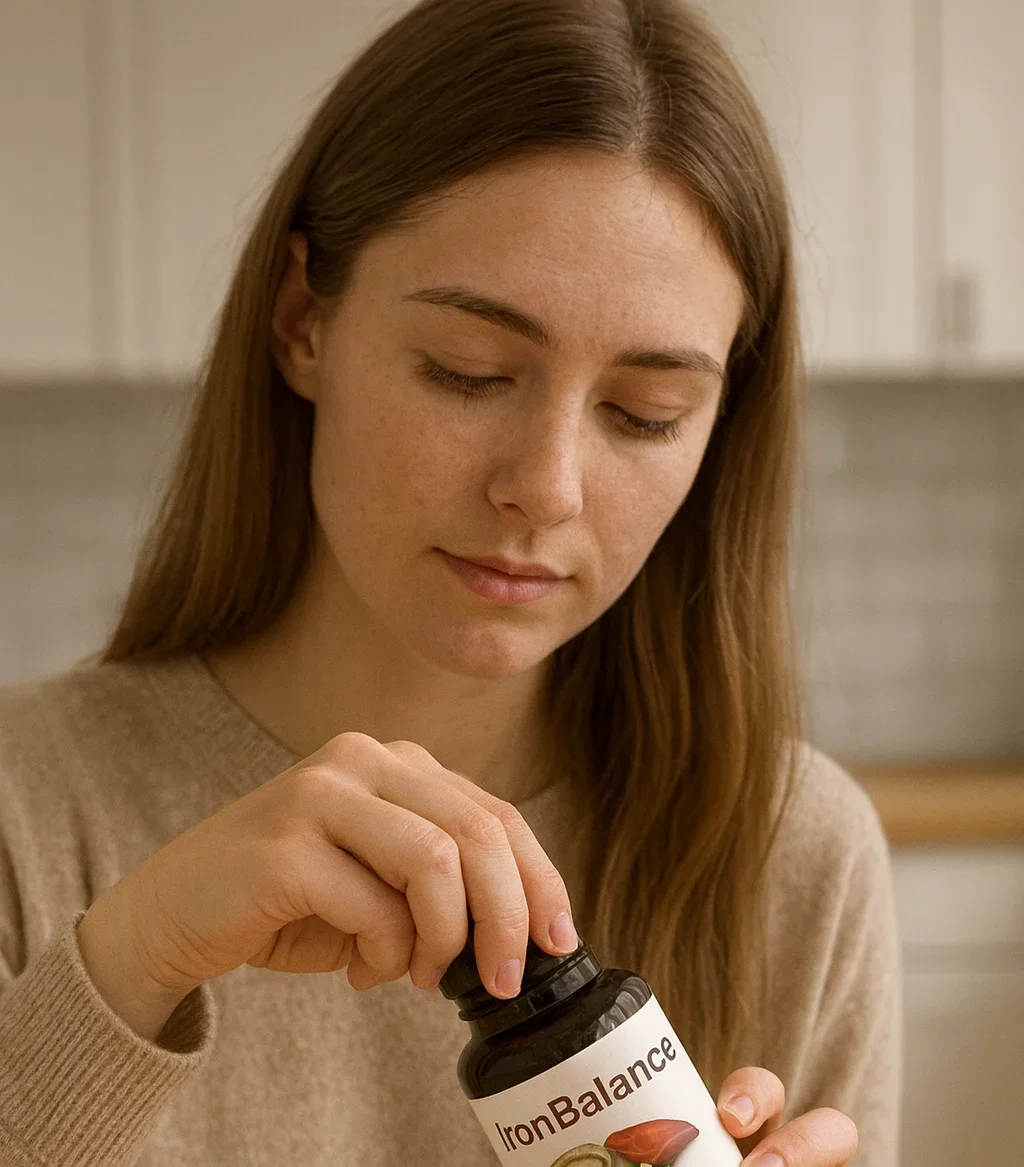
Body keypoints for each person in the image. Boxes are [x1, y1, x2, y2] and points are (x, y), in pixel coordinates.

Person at [0, 0, 901, 1164]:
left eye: (645, 414)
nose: (546, 489)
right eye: (466, 372)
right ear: (301, 322)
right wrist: (129, 964)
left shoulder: (795, 855)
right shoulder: (26, 812)